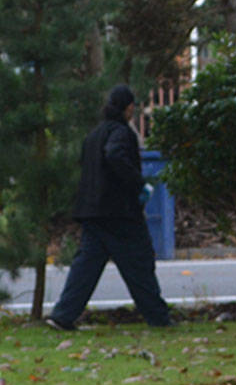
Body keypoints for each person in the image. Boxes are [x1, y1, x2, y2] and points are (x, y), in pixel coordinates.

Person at [46, 83, 172, 330]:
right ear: (129, 108)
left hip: (92, 211)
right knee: (139, 263)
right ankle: (158, 317)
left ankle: (63, 315)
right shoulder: (122, 133)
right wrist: (138, 184)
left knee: (86, 268)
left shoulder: (93, 135)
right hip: (119, 212)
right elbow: (115, 155)